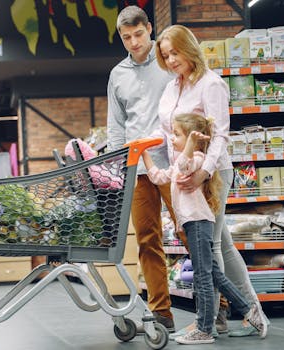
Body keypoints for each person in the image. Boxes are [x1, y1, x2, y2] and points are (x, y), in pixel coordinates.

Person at [154, 24, 269, 336]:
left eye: (175, 52)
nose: (171, 60)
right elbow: (167, 134)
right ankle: (252, 311)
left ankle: (214, 318)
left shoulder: (211, 84)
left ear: (189, 48)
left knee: (210, 247)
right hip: (186, 173)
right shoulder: (171, 88)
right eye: (166, 56)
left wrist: (203, 174)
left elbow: (219, 135)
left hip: (211, 173)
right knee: (224, 247)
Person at [141, 113, 267, 344]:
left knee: (203, 276)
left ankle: (204, 329)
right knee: (215, 274)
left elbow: (184, 164)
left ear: (192, 139)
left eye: (177, 134)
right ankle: (250, 310)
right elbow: (159, 177)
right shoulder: (180, 162)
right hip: (192, 224)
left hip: (199, 223)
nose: (172, 138)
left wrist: (189, 145)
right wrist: (144, 154)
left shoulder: (198, 158)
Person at [106, 5, 177, 331]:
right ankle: (161, 313)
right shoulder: (118, 75)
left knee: (192, 235)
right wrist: (118, 171)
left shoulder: (168, 63)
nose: (133, 42)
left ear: (149, 28)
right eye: (126, 37)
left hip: (176, 164)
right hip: (138, 169)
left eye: (138, 34)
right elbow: (116, 127)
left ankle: (213, 304)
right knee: (148, 240)